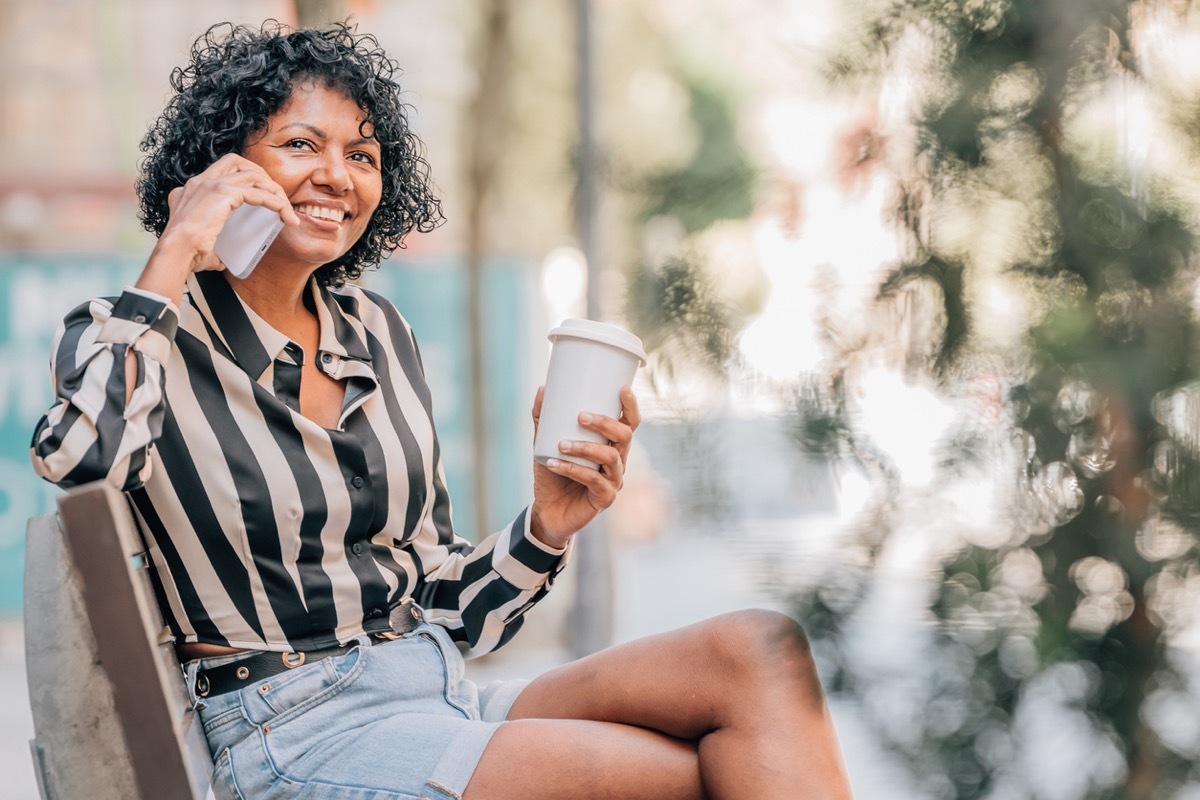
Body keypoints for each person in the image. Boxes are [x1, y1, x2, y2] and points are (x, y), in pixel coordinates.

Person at [30, 20, 853, 800]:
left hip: (431, 689)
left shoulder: (380, 334)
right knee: (696, 778)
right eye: (299, 144)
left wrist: (548, 527)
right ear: (221, 167)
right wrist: (176, 250)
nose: (337, 175)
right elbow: (81, 460)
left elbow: (444, 603)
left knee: (756, 651)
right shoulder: (140, 330)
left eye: (362, 152)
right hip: (293, 730)